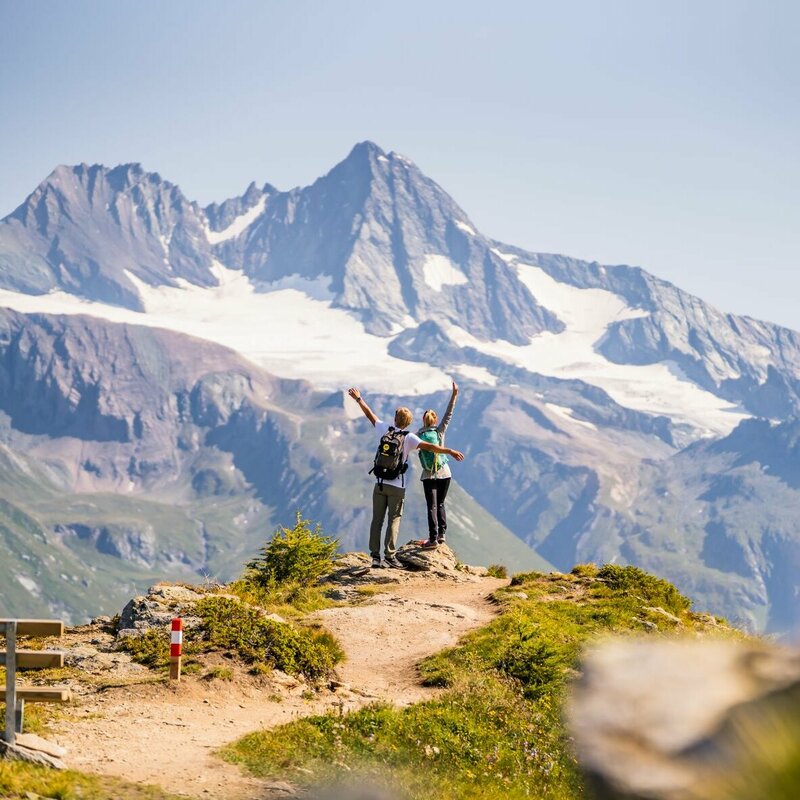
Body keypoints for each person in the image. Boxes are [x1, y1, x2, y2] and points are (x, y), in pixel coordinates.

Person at [348, 387, 465, 569]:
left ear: (395, 419)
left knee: (376, 521)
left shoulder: (384, 430)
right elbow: (430, 448)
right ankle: (390, 555)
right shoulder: (410, 437)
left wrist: (358, 399)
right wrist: (449, 450)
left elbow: (370, 414)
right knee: (393, 520)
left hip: (379, 484)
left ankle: (375, 558)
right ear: (409, 422)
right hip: (397, 485)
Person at [417, 381, 459, 549]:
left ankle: (432, 539)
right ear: (434, 420)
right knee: (441, 503)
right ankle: (442, 535)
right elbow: (449, 414)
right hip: (444, 473)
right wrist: (454, 394)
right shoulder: (439, 431)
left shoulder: (417, 436)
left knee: (432, 506)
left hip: (428, 475)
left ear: (423, 420)